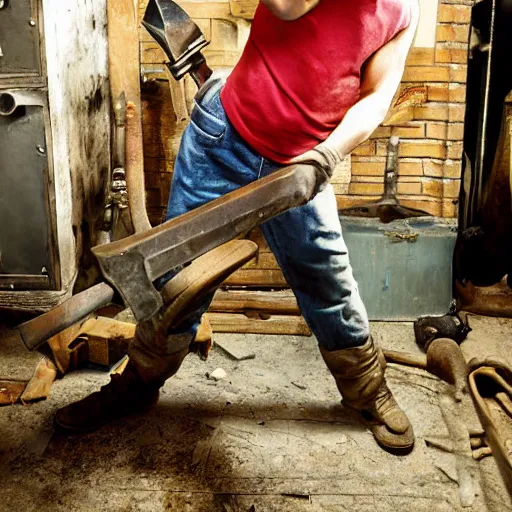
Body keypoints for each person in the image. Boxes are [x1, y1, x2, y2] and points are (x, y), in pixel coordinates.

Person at [55, 0, 420, 454]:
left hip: (301, 165)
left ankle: (368, 391)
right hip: (224, 140)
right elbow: (287, 8)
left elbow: (376, 97)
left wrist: (326, 157)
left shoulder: (402, 10)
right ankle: (137, 385)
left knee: (329, 284)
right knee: (176, 284)